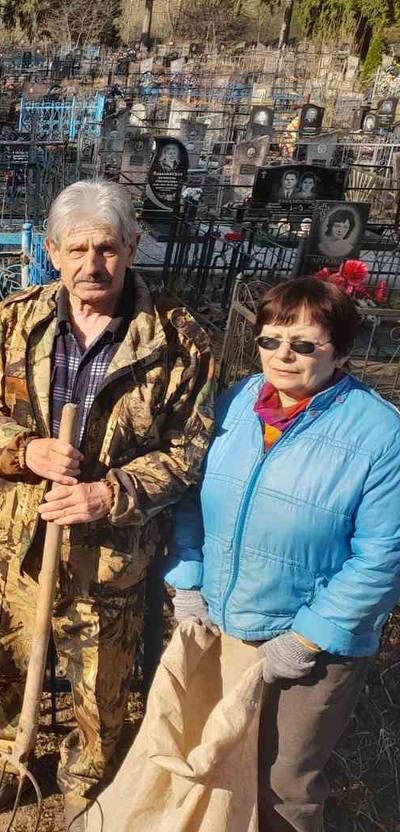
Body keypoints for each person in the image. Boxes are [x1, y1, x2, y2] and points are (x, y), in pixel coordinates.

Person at [0, 180, 217, 827]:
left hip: (111, 554)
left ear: (132, 246)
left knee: (101, 684)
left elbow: (191, 449)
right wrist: (23, 450)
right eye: (76, 249)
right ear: (52, 252)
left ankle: (87, 782)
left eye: (106, 248)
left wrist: (111, 492)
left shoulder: (176, 340)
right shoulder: (13, 321)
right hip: (19, 540)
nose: (91, 264)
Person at [167, 277, 400, 832]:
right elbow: (191, 499)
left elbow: (383, 557)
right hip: (223, 624)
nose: (282, 356)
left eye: (303, 344)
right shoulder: (236, 404)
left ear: (340, 351)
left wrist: (307, 637)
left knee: (285, 785)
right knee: (220, 759)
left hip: (313, 647)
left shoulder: (380, 434)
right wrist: (189, 580)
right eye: (270, 341)